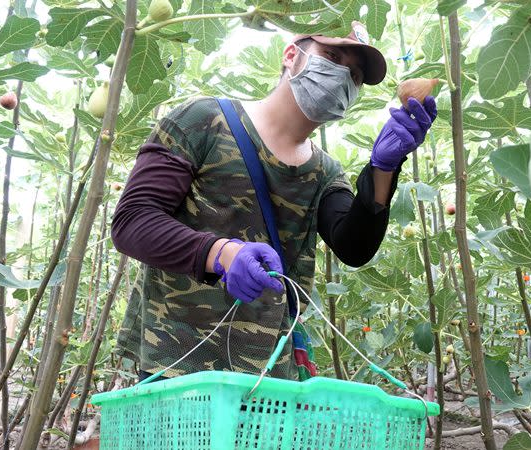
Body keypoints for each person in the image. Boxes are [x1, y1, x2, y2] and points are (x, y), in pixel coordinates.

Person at [110, 21, 437, 383]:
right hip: (173, 362)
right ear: (291, 55)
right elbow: (133, 221)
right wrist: (221, 253)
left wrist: (383, 168)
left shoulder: (325, 172)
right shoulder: (204, 121)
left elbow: (354, 245)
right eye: (332, 56)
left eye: (355, 75)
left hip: (268, 375)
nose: (342, 75)